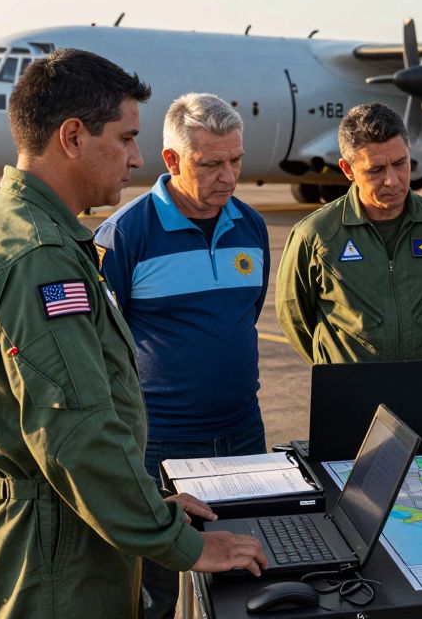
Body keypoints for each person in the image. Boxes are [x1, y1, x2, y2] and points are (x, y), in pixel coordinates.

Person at [0, 48, 265, 619]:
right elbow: (78, 432)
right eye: (125, 138)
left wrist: (154, 506)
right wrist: (183, 544)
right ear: (72, 137)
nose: (136, 159)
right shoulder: (38, 257)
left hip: (67, 526)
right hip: (53, 556)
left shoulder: (24, 232)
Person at [94, 93, 269, 619]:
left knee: (246, 576)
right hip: (160, 446)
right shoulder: (126, 236)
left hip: (243, 436)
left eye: (236, 160)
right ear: (171, 161)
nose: (229, 177)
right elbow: (102, 351)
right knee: (159, 592)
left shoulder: (251, 227)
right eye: (211, 163)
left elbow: (245, 317)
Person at [276, 102, 422, 363]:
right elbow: (295, 317)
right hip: (349, 392)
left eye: (400, 163)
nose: (392, 180)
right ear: (348, 170)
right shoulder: (316, 235)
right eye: (376, 170)